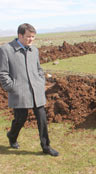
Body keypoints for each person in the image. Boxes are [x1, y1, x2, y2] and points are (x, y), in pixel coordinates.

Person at [0, 23, 59, 157]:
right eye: (28, 37)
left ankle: (46, 146)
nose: (31, 39)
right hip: (19, 92)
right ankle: (12, 136)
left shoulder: (34, 50)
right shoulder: (6, 50)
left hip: (36, 91)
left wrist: (40, 81)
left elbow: (38, 68)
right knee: (21, 118)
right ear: (20, 35)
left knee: (42, 118)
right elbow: (3, 73)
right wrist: (12, 87)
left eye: (33, 37)